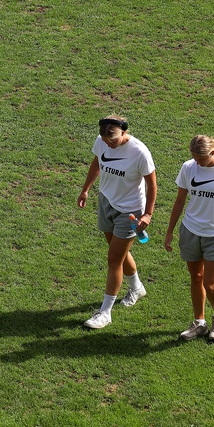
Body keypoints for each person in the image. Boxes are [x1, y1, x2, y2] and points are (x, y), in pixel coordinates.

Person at [77, 115, 156, 329]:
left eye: (112, 141)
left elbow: (152, 184)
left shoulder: (139, 152)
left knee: (114, 259)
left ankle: (105, 313)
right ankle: (137, 288)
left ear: (123, 132)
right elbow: (97, 163)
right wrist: (86, 189)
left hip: (129, 211)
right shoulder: (101, 141)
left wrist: (147, 214)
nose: (108, 145)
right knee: (117, 251)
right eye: (105, 141)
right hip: (106, 202)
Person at [164, 135, 214, 342]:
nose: (197, 162)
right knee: (195, 277)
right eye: (194, 158)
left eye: (201, 159)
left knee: (210, 283)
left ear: (213, 152)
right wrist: (170, 230)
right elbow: (180, 200)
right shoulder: (189, 167)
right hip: (191, 230)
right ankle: (199, 322)